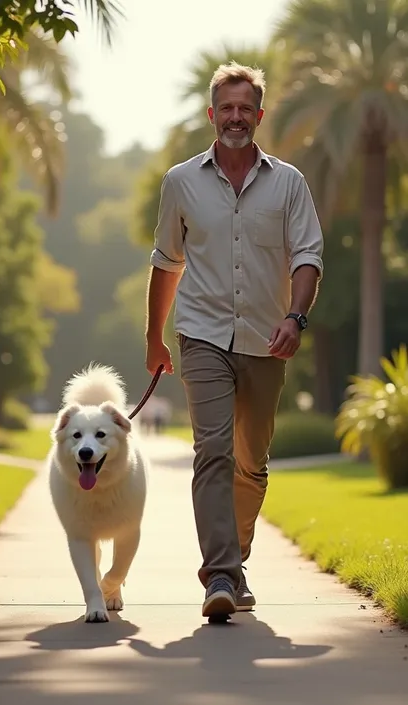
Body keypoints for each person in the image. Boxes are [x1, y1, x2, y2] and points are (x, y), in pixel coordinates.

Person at [145, 61, 324, 620]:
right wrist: (155, 337)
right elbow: (166, 263)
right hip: (201, 334)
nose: (236, 117)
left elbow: (308, 257)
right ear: (212, 114)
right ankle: (220, 573)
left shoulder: (289, 183)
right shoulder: (180, 183)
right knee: (213, 452)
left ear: (260, 115)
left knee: (251, 461)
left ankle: (235, 556)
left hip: (268, 339)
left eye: (246, 108)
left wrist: (295, 318)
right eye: (227, 107)